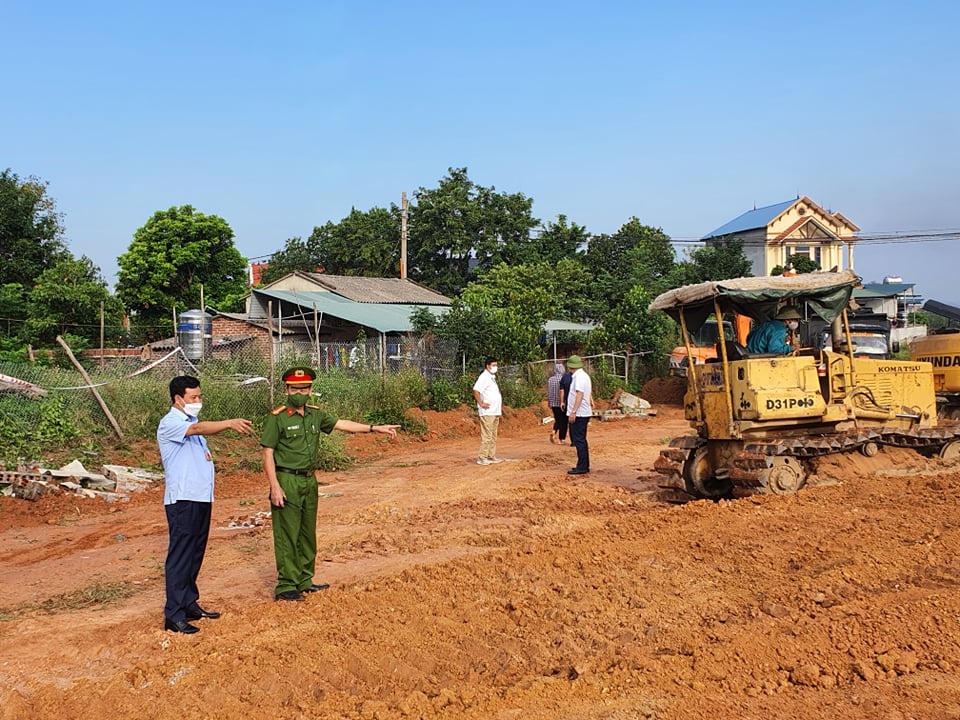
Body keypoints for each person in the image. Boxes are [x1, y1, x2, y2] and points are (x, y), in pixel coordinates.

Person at [261, 366, 399, 601]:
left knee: (307, 533)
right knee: (288, 533)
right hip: (287, 479)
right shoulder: (278, 417)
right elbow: (267, 453)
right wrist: (275, 485)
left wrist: (374, 428)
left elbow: (341, 424)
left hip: (309, 480)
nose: (299, 393)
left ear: (310, 390)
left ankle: (304, 579)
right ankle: (286, 585)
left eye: (304, 388)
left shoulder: (315, 414)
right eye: (294, 388)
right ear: (286, 389)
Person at [158, 376, 253, 634]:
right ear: (178, 399)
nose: (198, 401)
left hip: (200, 498)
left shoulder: (191, 423)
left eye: (200, 397)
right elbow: (198, 430)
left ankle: (189, 602)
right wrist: (230, 423)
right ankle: (174, 614)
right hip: (183, 499)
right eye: (193, 398)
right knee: (180, 556)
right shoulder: (172, 423)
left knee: (195, 552)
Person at [472, 356, 503, 465]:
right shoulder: (484, 376)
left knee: (493, 435)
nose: (495, 367)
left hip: (494, 411)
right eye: (493, 365)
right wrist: (481, 403)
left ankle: (490, 456)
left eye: (496, 365)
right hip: (487, 411)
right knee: (487, 435)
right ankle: (482, 457)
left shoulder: (491, 377)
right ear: (487, 366)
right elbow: (476, 390)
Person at [565, 355, 593, 475]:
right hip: (581, 412)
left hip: (580, 413)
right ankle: (583, 464)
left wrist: (573, 411)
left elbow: (579, 395)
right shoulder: (582, 376)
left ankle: (582, 466)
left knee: (579, 440)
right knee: (580, 439)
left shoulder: (579, 377)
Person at [546, 363, 567, 445]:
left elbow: (549, 391)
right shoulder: (563, 379)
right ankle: (561, 438)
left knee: (557, 419)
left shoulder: (550, 379)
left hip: (553, 402)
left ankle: (554, 431)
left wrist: (549, 402)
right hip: (561, 402)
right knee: (563, 421)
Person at [558, 365, 573, 445]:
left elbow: (562, 391)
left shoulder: (565, 378)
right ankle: (575, 440)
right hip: (578, 403)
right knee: (576, 422)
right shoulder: (580, 377)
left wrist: (562, 402)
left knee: (566, 421)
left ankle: (563, 439)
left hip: (568, 402)